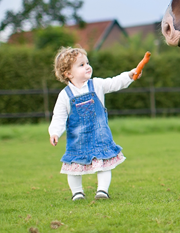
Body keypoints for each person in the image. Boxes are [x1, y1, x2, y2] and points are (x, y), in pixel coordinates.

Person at [48, 46, 138, 201]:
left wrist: (129, 76)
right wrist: (55, 132)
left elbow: (114, 82)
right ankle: (77, 192)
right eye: (81, 65)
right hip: (78, 140)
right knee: (73, 167)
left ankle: (102, 190)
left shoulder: (96, 85)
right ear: (68, 73)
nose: (87, 66)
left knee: (104, 164)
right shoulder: (64, 95)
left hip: (100, 136)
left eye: (87, 63)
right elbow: (59, 117)